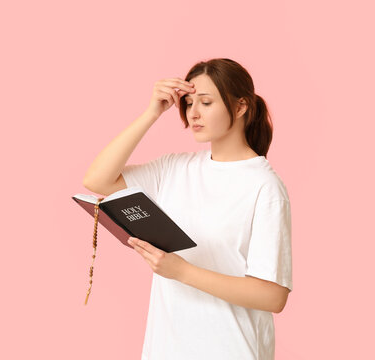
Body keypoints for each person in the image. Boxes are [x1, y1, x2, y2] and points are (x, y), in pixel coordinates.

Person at [83, 58, 292, 360]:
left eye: (206, 103)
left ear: (241, 107)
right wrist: (152, 112)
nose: (193, 113)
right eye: (189, 102)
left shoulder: (264, 186)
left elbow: (273, 296)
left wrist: (181, 271)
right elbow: (97, 180)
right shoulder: (175, 168)